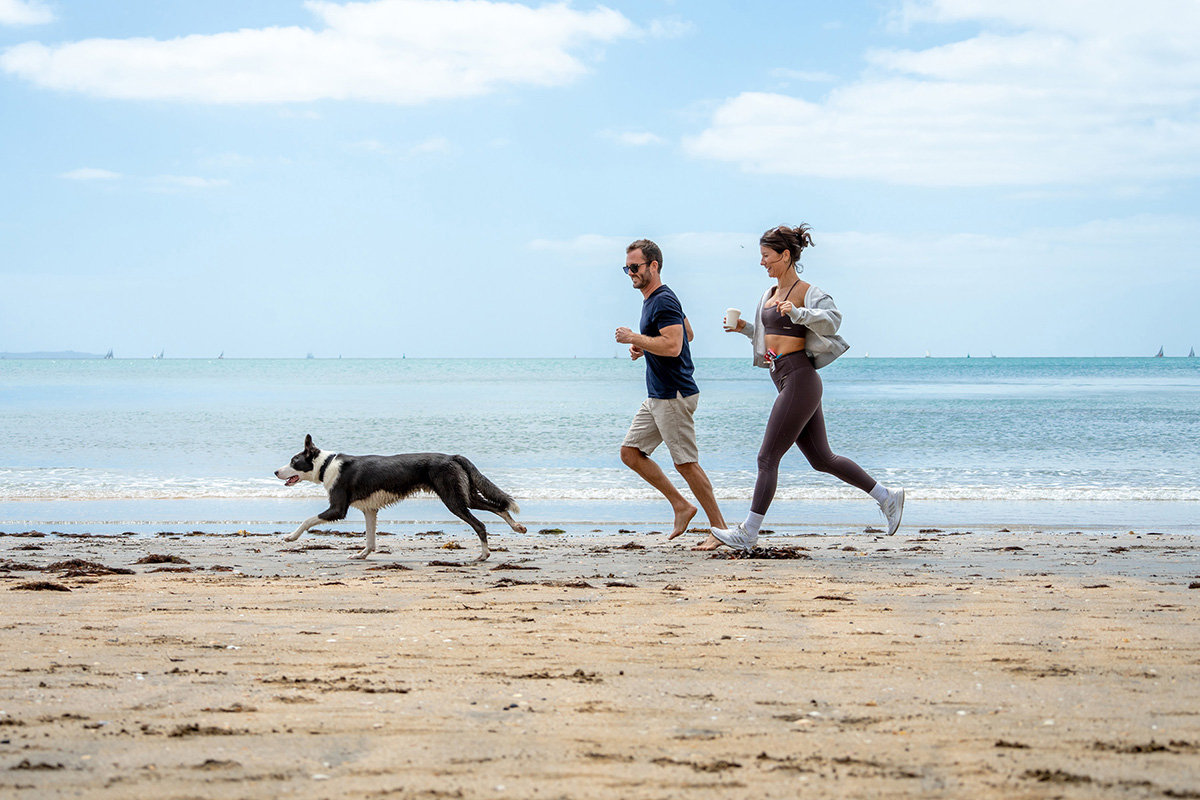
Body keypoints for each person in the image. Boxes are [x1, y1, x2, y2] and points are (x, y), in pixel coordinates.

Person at [711, 224, 904, 551]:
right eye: (760, 257)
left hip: (800, 378)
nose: (762, 263)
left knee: (766, 457)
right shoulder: (768, 295)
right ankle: (887, 497)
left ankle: (749, 532)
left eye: (767, 256)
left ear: (785, 256)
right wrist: (744, 327)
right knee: (822, 458)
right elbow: (768, 335)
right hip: (783, 377)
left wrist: (800, 313)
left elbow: (833, 320)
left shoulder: (806, 292)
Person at [615, 238, 727, 547]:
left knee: (686, 462)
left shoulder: (662, 299)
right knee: (630, 453)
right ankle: (681, 505)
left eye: (635, 267)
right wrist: (646, 344)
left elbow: (676, 345)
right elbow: (686, 333)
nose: (630, 273)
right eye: (626, 268)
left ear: (653, 266)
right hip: (658, 395)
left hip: (673, 394)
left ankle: (719, 530)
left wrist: (634, 337)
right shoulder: (657, 299)